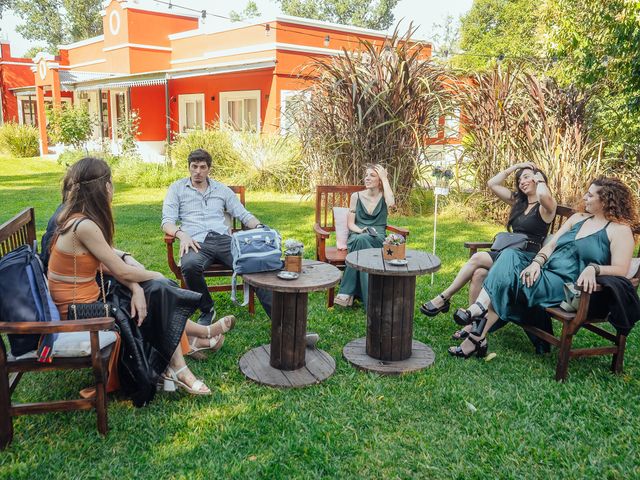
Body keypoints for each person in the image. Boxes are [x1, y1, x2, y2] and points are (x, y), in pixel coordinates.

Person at [48, 157, 223, 401]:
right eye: (111, 182)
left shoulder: (76, 217)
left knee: (153, 291)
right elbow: (120, 270)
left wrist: (135, 284)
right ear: (103, 187)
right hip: (77, 312)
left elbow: (108, 260)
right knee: (159, 288)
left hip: (84, 301)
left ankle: (188, 351)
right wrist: (154, 274)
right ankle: (183, 362)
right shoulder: (84, 225)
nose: (113, 188)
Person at [448, 177, 638, 358]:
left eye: (590, 195)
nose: (584, 198)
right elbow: (551, 245)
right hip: (545, 272)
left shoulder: (619, 231)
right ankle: (477, 332)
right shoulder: (578, 218)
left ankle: (476, 325)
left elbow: (621, 269)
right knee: (509, 255)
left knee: (507, 280)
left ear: (605, 201)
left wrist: (594, 269)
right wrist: (536, 263)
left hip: (566, 285)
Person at [420, 162, 557, 341]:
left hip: (526, 260)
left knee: (477, 258)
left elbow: (543, 194)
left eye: (526, 177)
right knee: (478, 274)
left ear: (539, 179)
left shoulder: (546, 205)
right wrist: (517, 166)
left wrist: (538, 179)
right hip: (508, 254)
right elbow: (492, 184)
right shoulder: (519, 202)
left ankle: (444, 297)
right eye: (519, 179)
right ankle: (472, 324)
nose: (522, 181)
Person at [162, 149, 272, 325]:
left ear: (209, 169)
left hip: (223, 240)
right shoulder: (177, 188)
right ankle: (207, 309)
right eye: (194, 166)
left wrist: (260, 227)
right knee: (189, 266)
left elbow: (243, 214)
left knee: (254, 264)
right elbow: (167, 221)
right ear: (189, 167)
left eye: (202, 167)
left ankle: (281, 320)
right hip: (195, 241)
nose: (198, 171)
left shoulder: (221, 189)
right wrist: (181, 234)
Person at [334, 164, 396, 307]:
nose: (367, 178)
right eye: (366, 175)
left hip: (378, 237)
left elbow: (391, 203)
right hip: (357, 233)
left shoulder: (384, 196)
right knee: (361, 240)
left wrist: (385, 179)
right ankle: (370, 296)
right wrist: (360, 230)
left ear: (379, 180)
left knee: (362, 243)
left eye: (372, 176)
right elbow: (351, 224)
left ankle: (347, 292)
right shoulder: (356, 196)